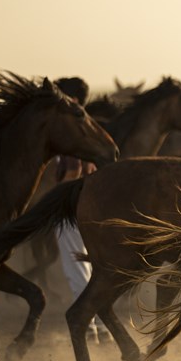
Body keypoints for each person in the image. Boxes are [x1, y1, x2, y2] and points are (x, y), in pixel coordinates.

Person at [52, 77, 109, 344]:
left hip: (71, 209)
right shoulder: (89, 130)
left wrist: (51, 201)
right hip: (90, 207)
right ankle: (101, 325)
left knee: (76, 270)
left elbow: (73, 172)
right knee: (89, 269)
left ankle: (88, 327)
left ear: (72, 100)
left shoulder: (72, 134)